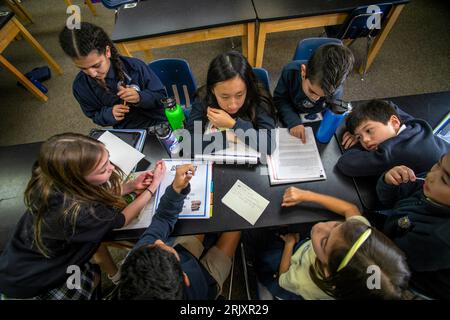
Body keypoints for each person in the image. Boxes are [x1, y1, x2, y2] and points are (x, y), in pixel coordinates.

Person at [0, 133, 165, 300]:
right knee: (90, 290)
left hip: (23, 258)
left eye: (108, 159)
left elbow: (92, 195)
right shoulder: (81, 213)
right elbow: (120, 220)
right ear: (77, 180)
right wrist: (153, 187)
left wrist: (130, 186)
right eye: (102, 169)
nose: (112, 168)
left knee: (93, 276)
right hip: (36, 280)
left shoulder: (50, 176)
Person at [244, 187, 411, 300]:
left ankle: (258, 277)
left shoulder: (304, 282)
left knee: (265, 258)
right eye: (339, 224)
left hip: (290, 269)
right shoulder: (357, 235)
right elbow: (351, 210)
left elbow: (283, 278)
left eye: (325, 241)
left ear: (327, 272)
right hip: (306, 248)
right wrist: (307, 195)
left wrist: (289, 243)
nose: (321, 226)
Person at [118, 164, 241, 300]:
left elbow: (163, 218)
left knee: (198, 223)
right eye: (164, 248)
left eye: (152, 245)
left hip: (186, 259)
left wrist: (176, 189)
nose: (158, 240)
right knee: (237, 222)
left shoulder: (139, 259)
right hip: (207, 283)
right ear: (185, 277)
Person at [59, 22, 167, 129]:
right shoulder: (80, 87)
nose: (92, 73)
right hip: (129, 131)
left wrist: (140, 97)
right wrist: (109, 114)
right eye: (83, 68)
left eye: (96, 65)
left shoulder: (135, 67)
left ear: (107, 51)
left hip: (159, 121)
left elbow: (161, 97)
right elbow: (94, 115)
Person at [375, 151, 450, 299]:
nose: (431, 175)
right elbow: (390, 199)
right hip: (393, 233)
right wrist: (388, 181)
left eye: (445, 180)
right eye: (438, 164)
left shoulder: (439, 239)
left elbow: (390, 260)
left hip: (407, 280)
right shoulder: (431, 188)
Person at [186, 51, 276, 156]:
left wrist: (233, 124)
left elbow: (269, 144)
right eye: (224, 96)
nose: (233, 105)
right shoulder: (203, 98)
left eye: (239, 95)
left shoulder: (258, 97)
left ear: (248, 88)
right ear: (212, 90)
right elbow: (188, 144)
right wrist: (227, 137)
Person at [336, 99, 450, 177]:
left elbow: (346, 164)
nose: (365, 140)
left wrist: (358, 140)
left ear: (395, 122)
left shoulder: (394, 151)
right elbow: (388, 105)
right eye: (359, 137)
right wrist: (358, 126)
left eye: (369, 130)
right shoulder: (414, 126)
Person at [273, 43, 354, 143]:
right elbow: (280, 99)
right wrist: (293, 121)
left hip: (316, 122)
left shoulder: (335, 89)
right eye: (312, 91)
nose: (315, 98)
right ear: (303, 72)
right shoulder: (290, 72)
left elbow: (333, 109)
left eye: (323, 96)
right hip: (290, 114)